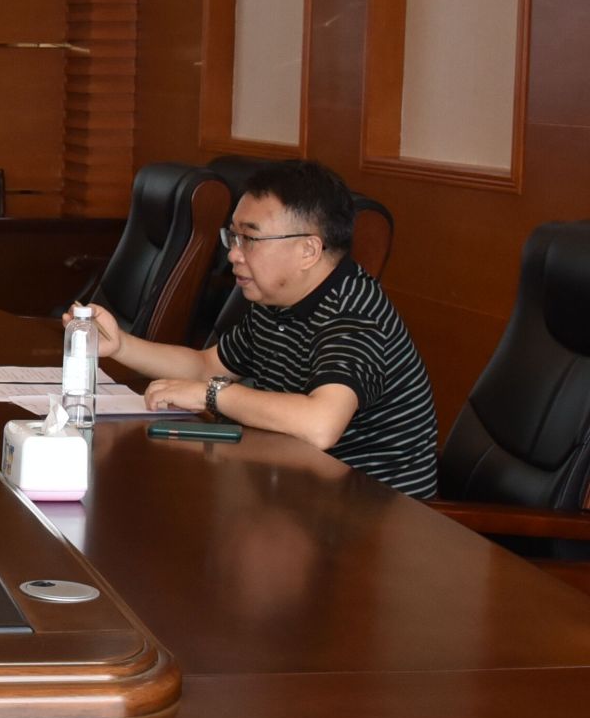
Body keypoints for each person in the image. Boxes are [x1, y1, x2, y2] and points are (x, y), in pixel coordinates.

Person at [71, 159, 437, 497]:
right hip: (297, 488)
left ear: (309, 250)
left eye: (250, 239)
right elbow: (207, 366)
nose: (233, 253)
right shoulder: (277, 301)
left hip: (372, 514)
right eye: (232, 237)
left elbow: (321, 424)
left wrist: (211, 396)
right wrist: (121, 345)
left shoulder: (354, 316)